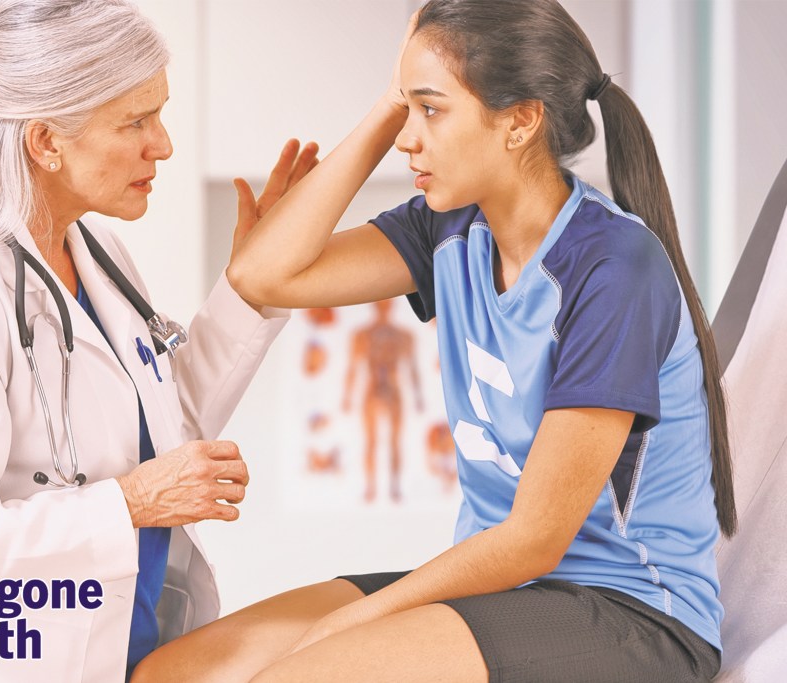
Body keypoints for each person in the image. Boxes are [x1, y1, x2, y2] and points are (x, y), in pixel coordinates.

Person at [134, 1, 735, 681]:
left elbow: (536, 538)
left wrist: (343, 627)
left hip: (631, 612)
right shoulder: (447, 229)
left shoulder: (611, 267)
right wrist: (394, 98)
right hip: (504, 592)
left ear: (521, 119)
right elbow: (260, 275)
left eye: (431, 110)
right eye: (407, 109)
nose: (407, 138)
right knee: (173, 673)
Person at [0, 1, 316, 681]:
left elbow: (158, 434)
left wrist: (254, 287)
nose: (164, 144)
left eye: (160, 113)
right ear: (46, 142)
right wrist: (130, 502)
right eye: (135, 121)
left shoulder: (102, 259)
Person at [342, 299, 423, 502]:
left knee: (394, 441)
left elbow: (412, 368)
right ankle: (371, 487)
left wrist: (418, 396)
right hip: (373, 389)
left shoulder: (403, 336)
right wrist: (347, 396)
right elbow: (353, 366)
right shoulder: (363, 335)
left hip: (393, 390)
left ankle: (394, 486)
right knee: (372, 441)